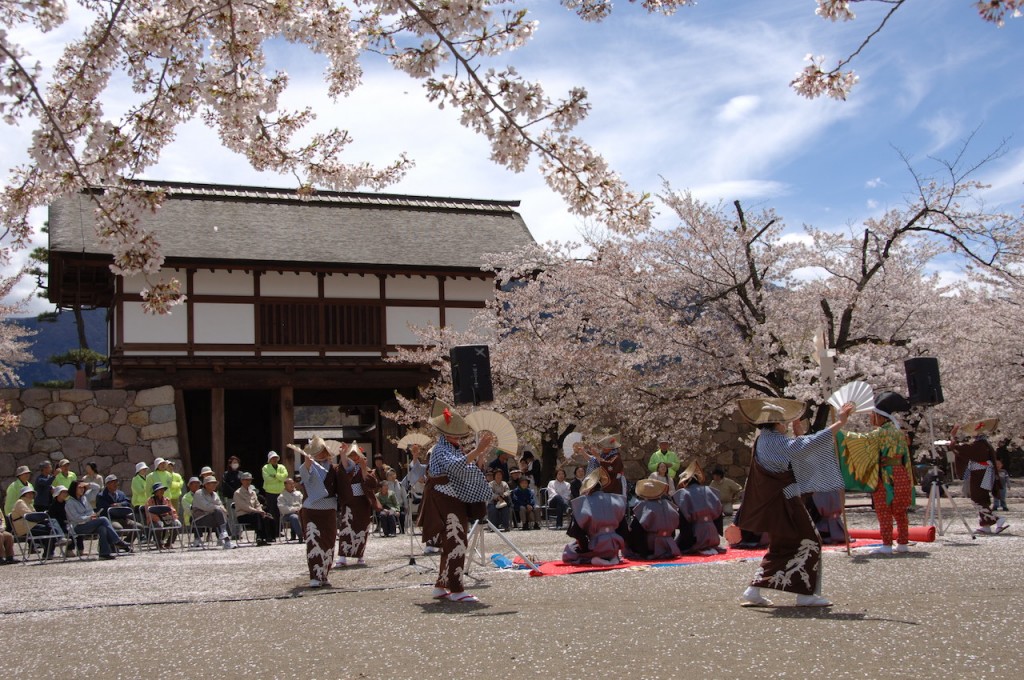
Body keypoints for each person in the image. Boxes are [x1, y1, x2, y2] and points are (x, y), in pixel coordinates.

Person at [735, 397, 853, 608]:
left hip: (777, 501)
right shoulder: (776, 442)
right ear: (777, 423)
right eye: (784, 422)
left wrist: (799, 433)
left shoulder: (764, 440)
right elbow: (807, 446)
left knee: (782, 545)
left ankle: (754, 589)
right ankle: (805, 594)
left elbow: (800, 451)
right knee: (810, 541)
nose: (786, 424)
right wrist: (840, 423)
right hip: (786, 500)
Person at [419, 398, 495, 603]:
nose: (458, 437)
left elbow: (465, 469)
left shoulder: (451, 449)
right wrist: (477, 451)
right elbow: (456, 467)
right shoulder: (440, 449)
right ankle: (456, 588)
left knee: (452, 541)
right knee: (456, 541)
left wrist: (478, 456)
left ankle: (441, 585)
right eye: (455, 433)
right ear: (446, 433)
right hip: (445, 498)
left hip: (451, 497)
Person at [836, 391, 913, 554]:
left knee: (884, 509)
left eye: (873, 415)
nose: (871, 418)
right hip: (901, 474)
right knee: (900, 511)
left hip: (885, 475)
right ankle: (903, 542)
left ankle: (886, 544)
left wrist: (839, 431)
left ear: (880, 416)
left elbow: (860, 442)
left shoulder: (879, 433)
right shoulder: (899, 433)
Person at [288, 436, 337, 587]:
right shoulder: (307, 466)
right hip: (312, 509)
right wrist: (308, 465)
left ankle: (324, 574)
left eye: (322, 450)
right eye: (317, 451)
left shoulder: (334, 468)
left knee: (328, 542)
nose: (320, 454)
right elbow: (304, 479)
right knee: (313, 541)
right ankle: (315, 575)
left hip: (329, 509)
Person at [948, 418, 1009, 535]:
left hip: (980, 474)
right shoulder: (985, 445)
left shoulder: (978, 446)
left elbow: (958, 448)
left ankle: (996, 519)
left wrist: (953, 436)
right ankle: (986, 525)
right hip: (985, 473)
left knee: (977, 498)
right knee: (982, 498)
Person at [562, 467, 627, 566]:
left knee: (568, 552)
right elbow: (624, 529)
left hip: (597, 545)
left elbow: (577, 533)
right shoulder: (615, 500)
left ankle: (592, 559)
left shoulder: (584, 503)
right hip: (614, 543)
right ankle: (612, 556)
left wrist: (584, 549)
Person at [335, 443, 379, 566]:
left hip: (362, 503)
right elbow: (343, 471)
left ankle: (360, 555)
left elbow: (372, 484)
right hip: (349, 501)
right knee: (346, 529)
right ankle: (342, 556)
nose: (354, 457)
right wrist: (343, 455)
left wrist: (364, 469)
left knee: (361, 529)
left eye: (356, 455)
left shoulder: (367, 468)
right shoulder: (344, 468)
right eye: (351, 455)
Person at [65, 480, 133, 560]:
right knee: (103, 519)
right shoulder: (69, 503)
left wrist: (88, 484)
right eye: (79, 487)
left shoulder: (84, 498)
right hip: (77, 527)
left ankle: (104, 553)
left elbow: (97, 488)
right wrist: (89, 517)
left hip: (89, 524)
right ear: (74, 489)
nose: (82, 489)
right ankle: (117, 541)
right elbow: (75, 518)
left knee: (102, 528)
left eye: (83, 487)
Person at [673, 461, 724, 556]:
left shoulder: (685, 493)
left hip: (696, 534)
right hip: (713, 533)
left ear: (685, 482)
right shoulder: (708, 489)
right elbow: (719, 510)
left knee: (678, 546)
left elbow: (684, 519)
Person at [627, 478, 680, 560]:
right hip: (669, 543)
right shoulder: (669, 504)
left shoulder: (644, 506)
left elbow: (637, 530)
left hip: (651, 546)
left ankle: (643, 553)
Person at [11, 487, 61, 559]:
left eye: (32, 493)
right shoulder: (20, 502)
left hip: (31, 525)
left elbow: (34, 516)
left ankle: (50, 550)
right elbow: (29, 515)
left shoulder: (29, 503)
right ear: (24, 494)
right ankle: (51, 549)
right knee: (51, 530)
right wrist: (41, 516)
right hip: (24, 527)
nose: (31, 495)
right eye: (29, 493)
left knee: (51, 526)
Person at [191, 476, 236, 549]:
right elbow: (206, 506)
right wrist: (219, 508)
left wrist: (221, 508)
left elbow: (220, 503)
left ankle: (226, 540)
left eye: (215, 483)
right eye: (212, 483)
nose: (215, 485)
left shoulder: (215, 494)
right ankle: (225, 537)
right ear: (206, 485)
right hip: (200, 518)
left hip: (213, 517)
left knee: (221, 514)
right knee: (219, 512)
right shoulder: (199, 493)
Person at [233, 472, 277, 545]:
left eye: (249, 480)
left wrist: (261, 511)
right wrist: (257, 511)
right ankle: (259, 537)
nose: (248, 482)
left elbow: (257, 504)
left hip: (254, 513)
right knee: (258, 516)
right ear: (241, 481)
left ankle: (269, 537)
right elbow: (244, 507)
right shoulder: (237, 493)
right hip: (243, 515)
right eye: (246, 480)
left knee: (268, 517)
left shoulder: (253, 492)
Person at [262, 451, 288, 539]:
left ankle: (279, 530)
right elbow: (267, 479)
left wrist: (275, 475)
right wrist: (279, 478)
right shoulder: (265, 467)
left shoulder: (282, 467)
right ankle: (273, 532)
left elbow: (285, 476)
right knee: (272, 512)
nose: (274, 459)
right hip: (270, 492)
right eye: (272, 458)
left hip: (281, 492)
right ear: (269, 459)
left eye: (275, 458)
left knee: (281, 512)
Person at [145, 483, 180, 549]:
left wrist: (175, 518)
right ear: (155, 492)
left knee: (177, 525)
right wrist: (158, 520)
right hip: (154, 520)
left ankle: (169, 543)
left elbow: (172, 510)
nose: (162, 491)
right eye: (160, 490)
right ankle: (158, 544)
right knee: (157, 526)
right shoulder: (150, 501)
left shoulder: (167, 500)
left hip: (166, 519)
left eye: (163, 490)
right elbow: (149, 513)